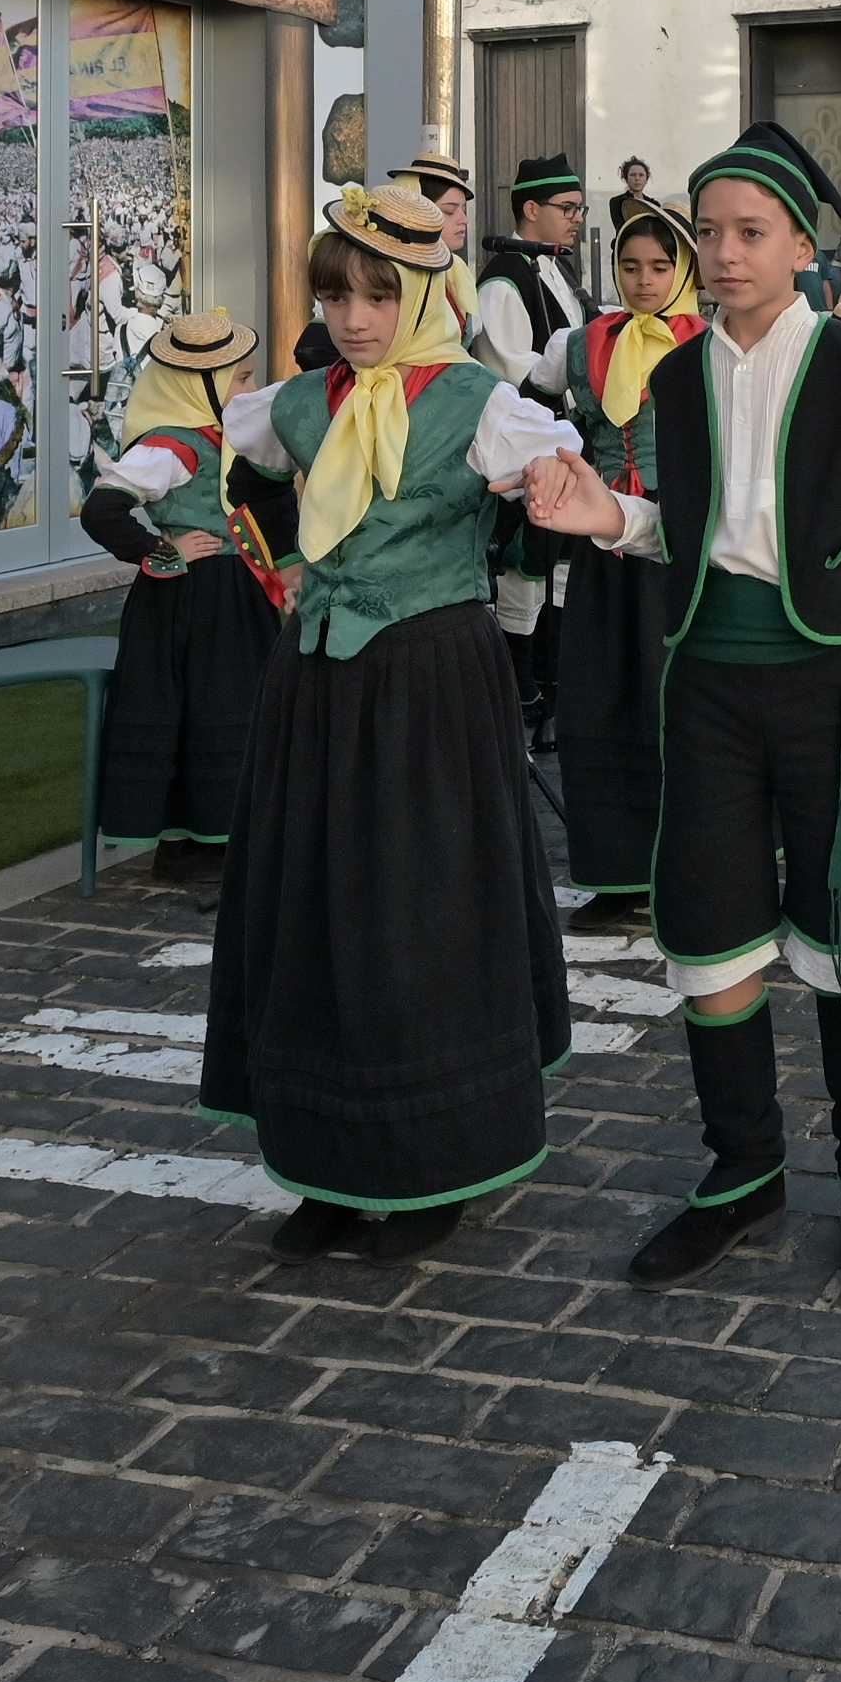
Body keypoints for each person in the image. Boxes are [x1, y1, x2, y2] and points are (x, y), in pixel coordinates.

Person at [511, 124, 841, 1302]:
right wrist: (601, 516)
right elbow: (683, 530)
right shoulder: (673, 372)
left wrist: (837, 611)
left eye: (746, 232)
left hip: (827, 683)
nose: (720, 253)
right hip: (705, 679)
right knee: (711, 938)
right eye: (706, 232)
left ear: (802, 245)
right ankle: (742, 1170)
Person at [207, 186, 575, 1263]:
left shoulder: (481, 403)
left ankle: (429, 1167)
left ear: (422, 290)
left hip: (428, 686)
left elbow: (554, 479)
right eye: (333, 293)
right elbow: (240, 473)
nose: (352, 316)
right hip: (316, 688)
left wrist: (550, 494)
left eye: (376, 293)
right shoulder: (299, 401)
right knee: (312, 906)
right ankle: (326, 1159)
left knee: (418, 914)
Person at [528, 210, 708, 933]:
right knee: (602, 697)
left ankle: (693, 864)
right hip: (603, 545)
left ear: (683, 273)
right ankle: (615, 870)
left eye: (659, 269)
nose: (643, 281)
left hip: (678, 539)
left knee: (679, 699)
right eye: (630, 267)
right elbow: (531, 411)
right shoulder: (578, 344)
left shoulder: (710, 345)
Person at [79, 309, 297, 890]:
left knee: (218, 706)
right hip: (196, 599)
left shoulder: (217, 437)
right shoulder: (172, 447)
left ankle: (210, 839)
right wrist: (163, 549)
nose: (250, 388)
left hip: (230, 592)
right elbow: (103, 509)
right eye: (241, 378)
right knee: (208, 707)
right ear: (200, 385)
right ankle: (199, 847)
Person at [466, 154, 593, 742]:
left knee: (558, 571)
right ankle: (525, 695)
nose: (575, 220)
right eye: (568, 210)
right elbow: (508, 367)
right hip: (525, 445)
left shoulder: (556, 270)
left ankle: (557, 691)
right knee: (527, 572)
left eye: (579, 210)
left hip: (563, 440)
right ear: (531, 209)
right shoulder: (503, 278)